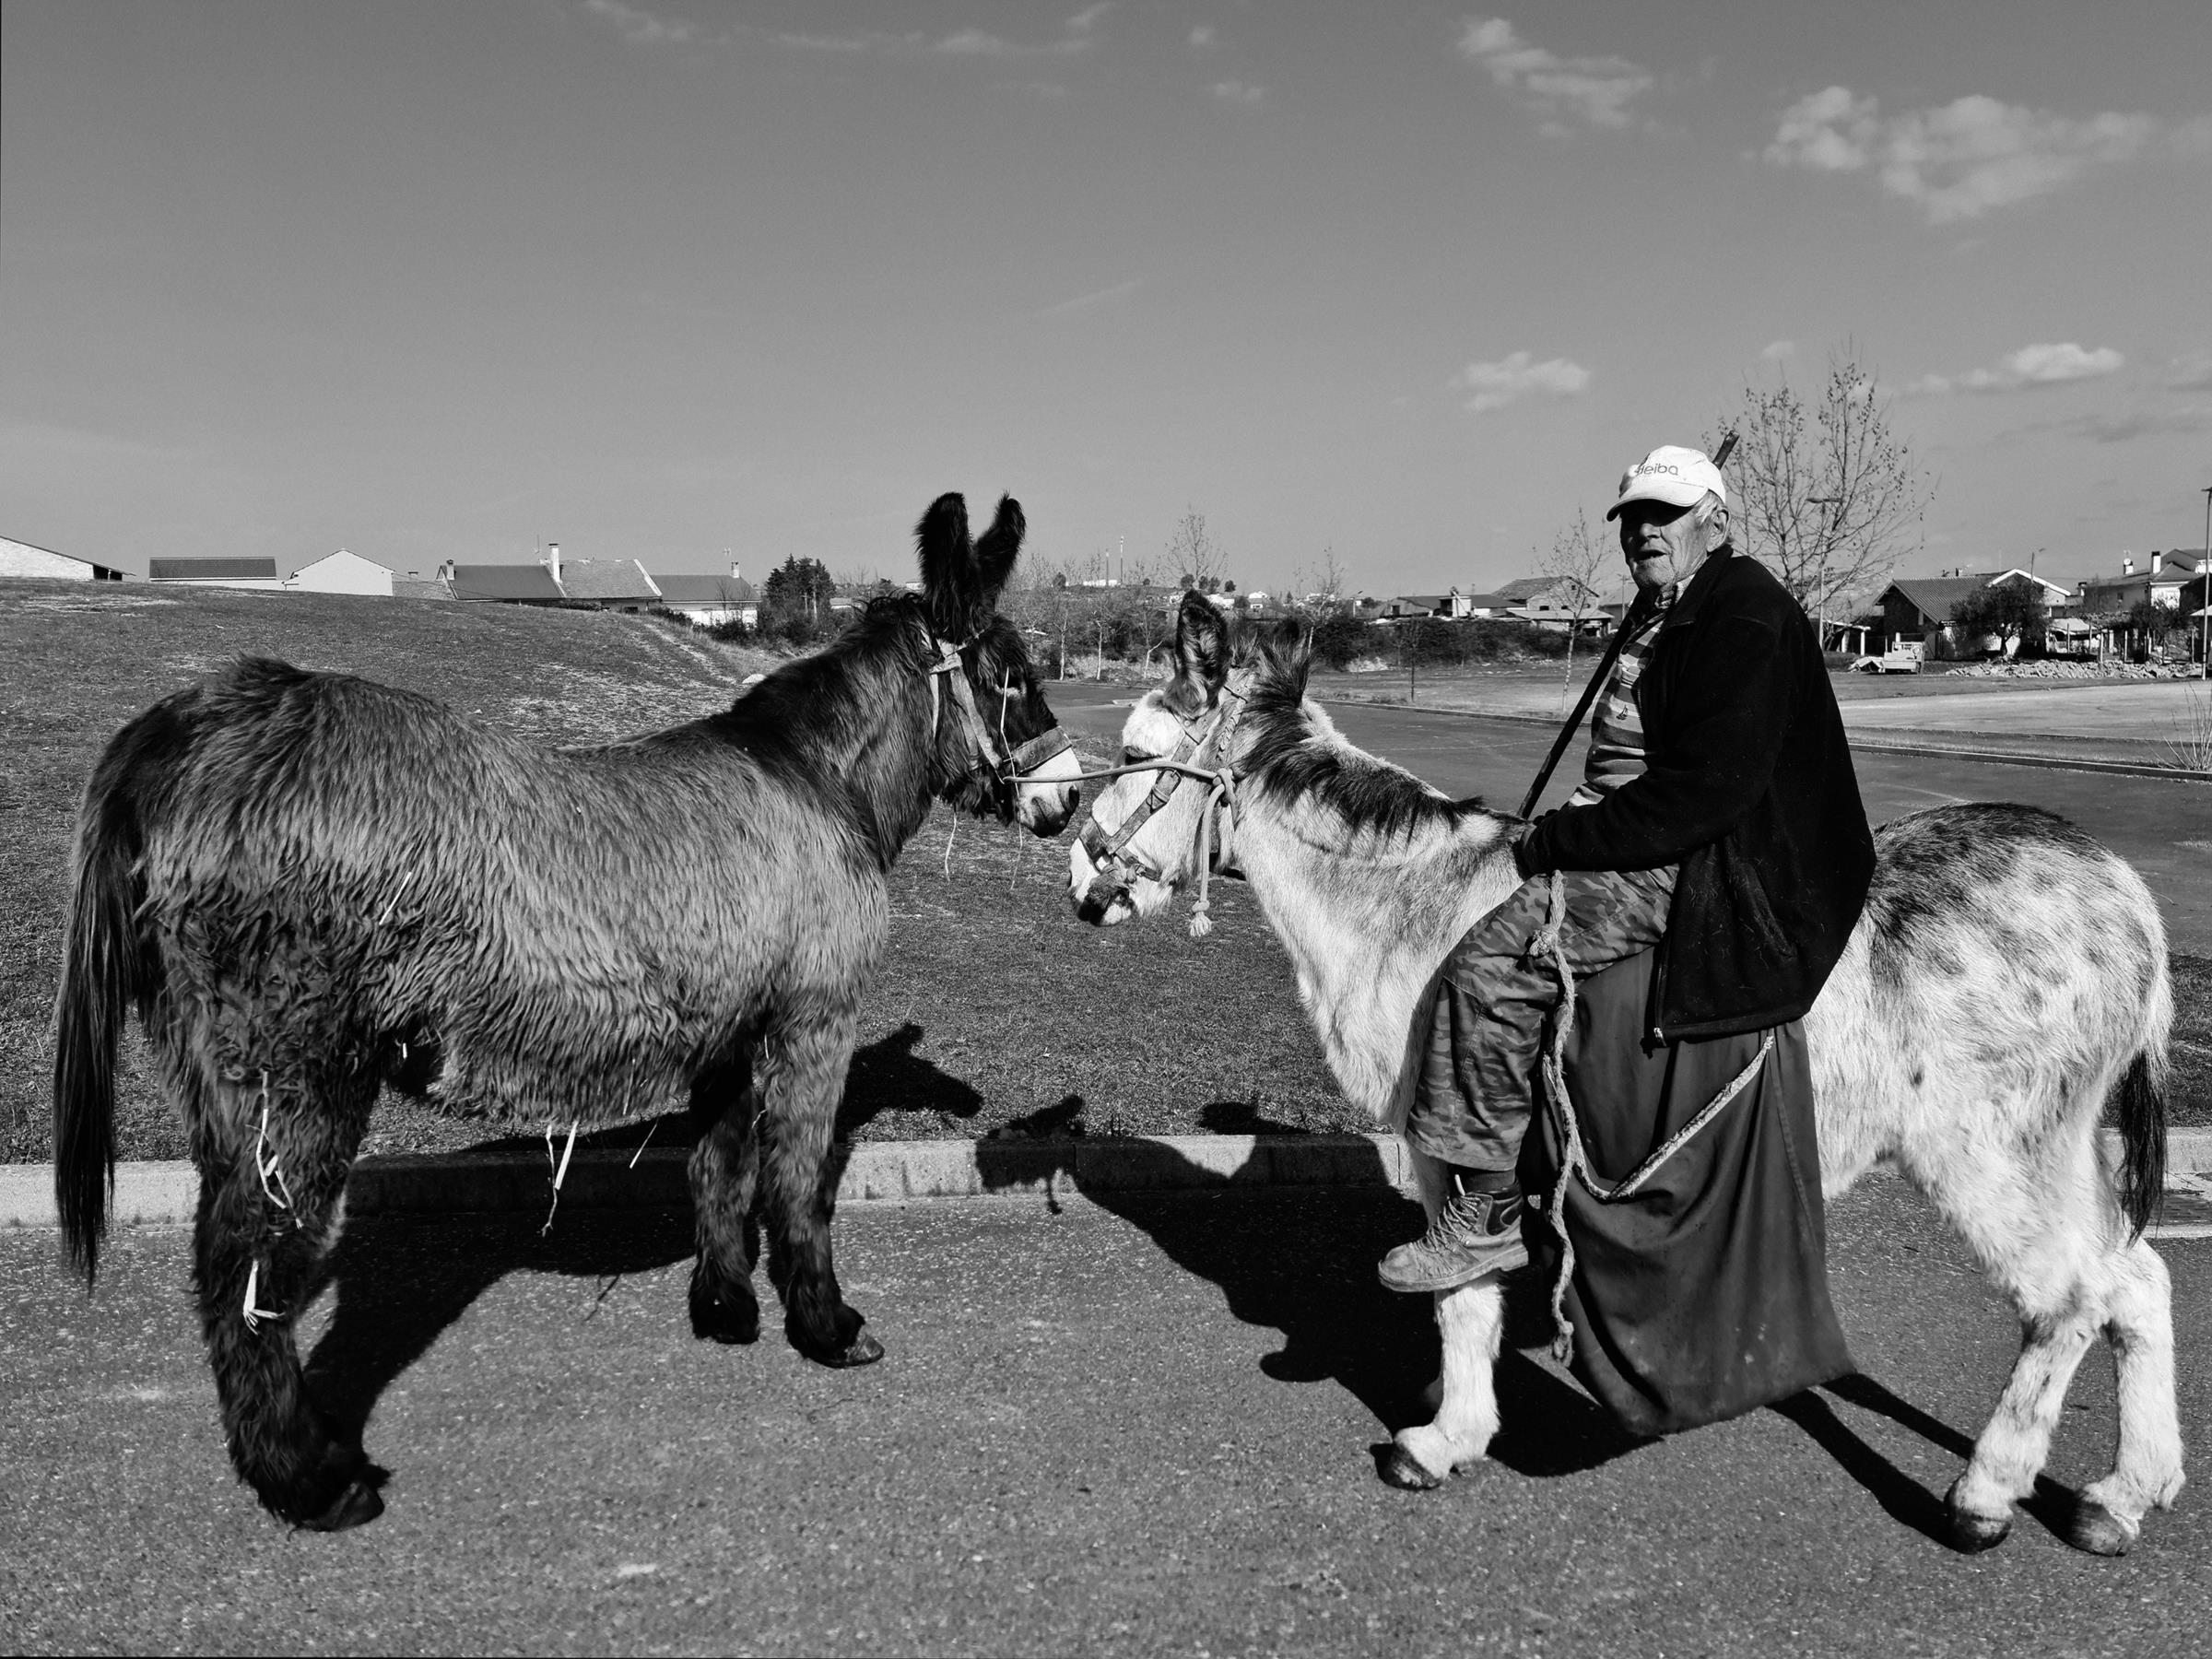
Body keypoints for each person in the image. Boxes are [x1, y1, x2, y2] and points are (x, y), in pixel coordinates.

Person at [1379, 444, 1875, 1293]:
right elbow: (1626, 758)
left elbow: (1703, 796)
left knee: (1488, 971)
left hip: (1710, 861)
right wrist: (1569, 819)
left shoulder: (1744, 616)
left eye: (1666, 515)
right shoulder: (1671, 603)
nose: (1645, 531)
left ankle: (1489, 1212)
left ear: (1715, 522)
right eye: (1634, 518)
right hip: (1641, 830)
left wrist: (1558, 843)